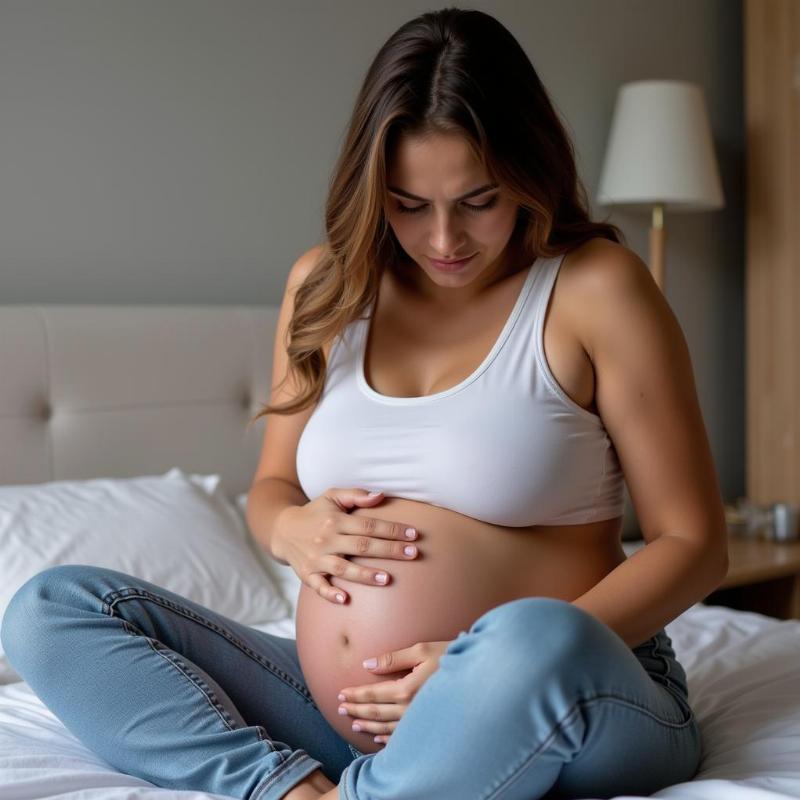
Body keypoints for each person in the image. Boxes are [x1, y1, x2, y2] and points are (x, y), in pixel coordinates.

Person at [0, 7, 728, 800]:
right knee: (50, 608)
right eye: (410, 205)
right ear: (372, 187)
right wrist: (292, 526)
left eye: (479, 199)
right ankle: (288, 786)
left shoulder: (595, 289)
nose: (445, 238)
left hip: (568, 689)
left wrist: (470, 670)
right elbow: (274, 490)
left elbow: (693, 542)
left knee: (531, 635)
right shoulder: (325, 289)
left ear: (529, 171)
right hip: (341, 711)